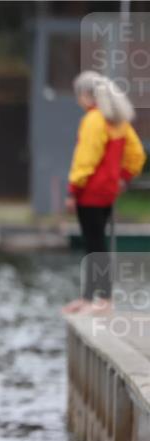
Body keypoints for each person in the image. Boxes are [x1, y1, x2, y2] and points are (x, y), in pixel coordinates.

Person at [63, 71, 146, 314]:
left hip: (89, 193)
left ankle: (97, 299)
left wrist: (72, 190)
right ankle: (95, 297)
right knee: (98, 244)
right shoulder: (118, 122)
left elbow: (85, 160)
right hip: (108, 192)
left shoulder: (93, 120)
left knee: (93, 244)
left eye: (78, 94)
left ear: (87, 95)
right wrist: (123, 178)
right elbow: (137, 155)